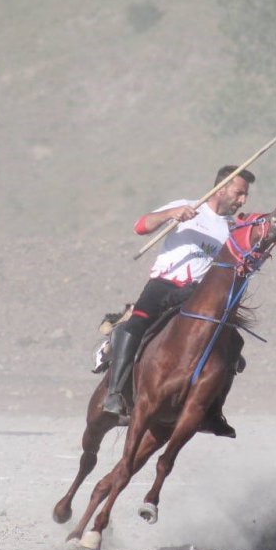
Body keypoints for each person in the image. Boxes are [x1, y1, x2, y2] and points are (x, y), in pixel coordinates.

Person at [102, 165, 255, 436]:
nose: (242, 200)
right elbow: (140, 227)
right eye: (239, 193)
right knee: (133, 327)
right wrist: (170, 215)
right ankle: (115, 393)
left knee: (232, 343)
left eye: (245, 196)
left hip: (198, 295)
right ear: (221, 189)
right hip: (164, 285)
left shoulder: (232, 228)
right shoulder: (188, 207)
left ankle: (213, 412)